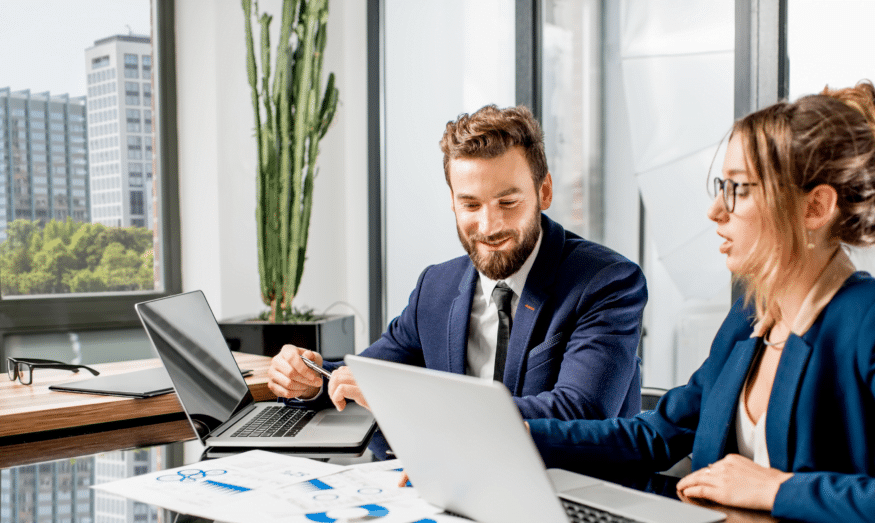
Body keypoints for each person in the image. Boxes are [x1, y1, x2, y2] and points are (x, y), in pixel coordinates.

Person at [527, 82, 875, 523]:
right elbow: (655, 437)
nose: (715, 211)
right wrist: (519, 433)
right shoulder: (749, 317)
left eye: (739, 190)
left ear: (815, 207)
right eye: (720, 187)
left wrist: (773, 488)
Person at [267, 104, 648, 441]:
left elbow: (578, 413)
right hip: (450, 489)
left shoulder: (608, 283)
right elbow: (372, 374)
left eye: (508, 202)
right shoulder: (436, 286)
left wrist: (413, 406)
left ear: (543, 192)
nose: (488, 226)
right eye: (470, 204)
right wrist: (312, 378)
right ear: (452, 202)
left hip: (567, 490)